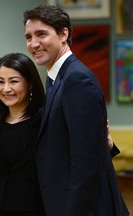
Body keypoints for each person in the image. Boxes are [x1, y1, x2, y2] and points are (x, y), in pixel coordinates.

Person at [23, 5, 129, 216]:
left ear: (64, 34)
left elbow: (86, 163)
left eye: (41, 34)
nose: (33, 44)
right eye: (28, 37)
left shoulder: (76, 79)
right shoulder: (58, 77)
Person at [0, 52, 45, 216]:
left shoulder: (45, 121)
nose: (6, 88)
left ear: (30, 84)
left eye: (14, 81)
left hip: (35, 209)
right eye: (0, 82)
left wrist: (107, 146)